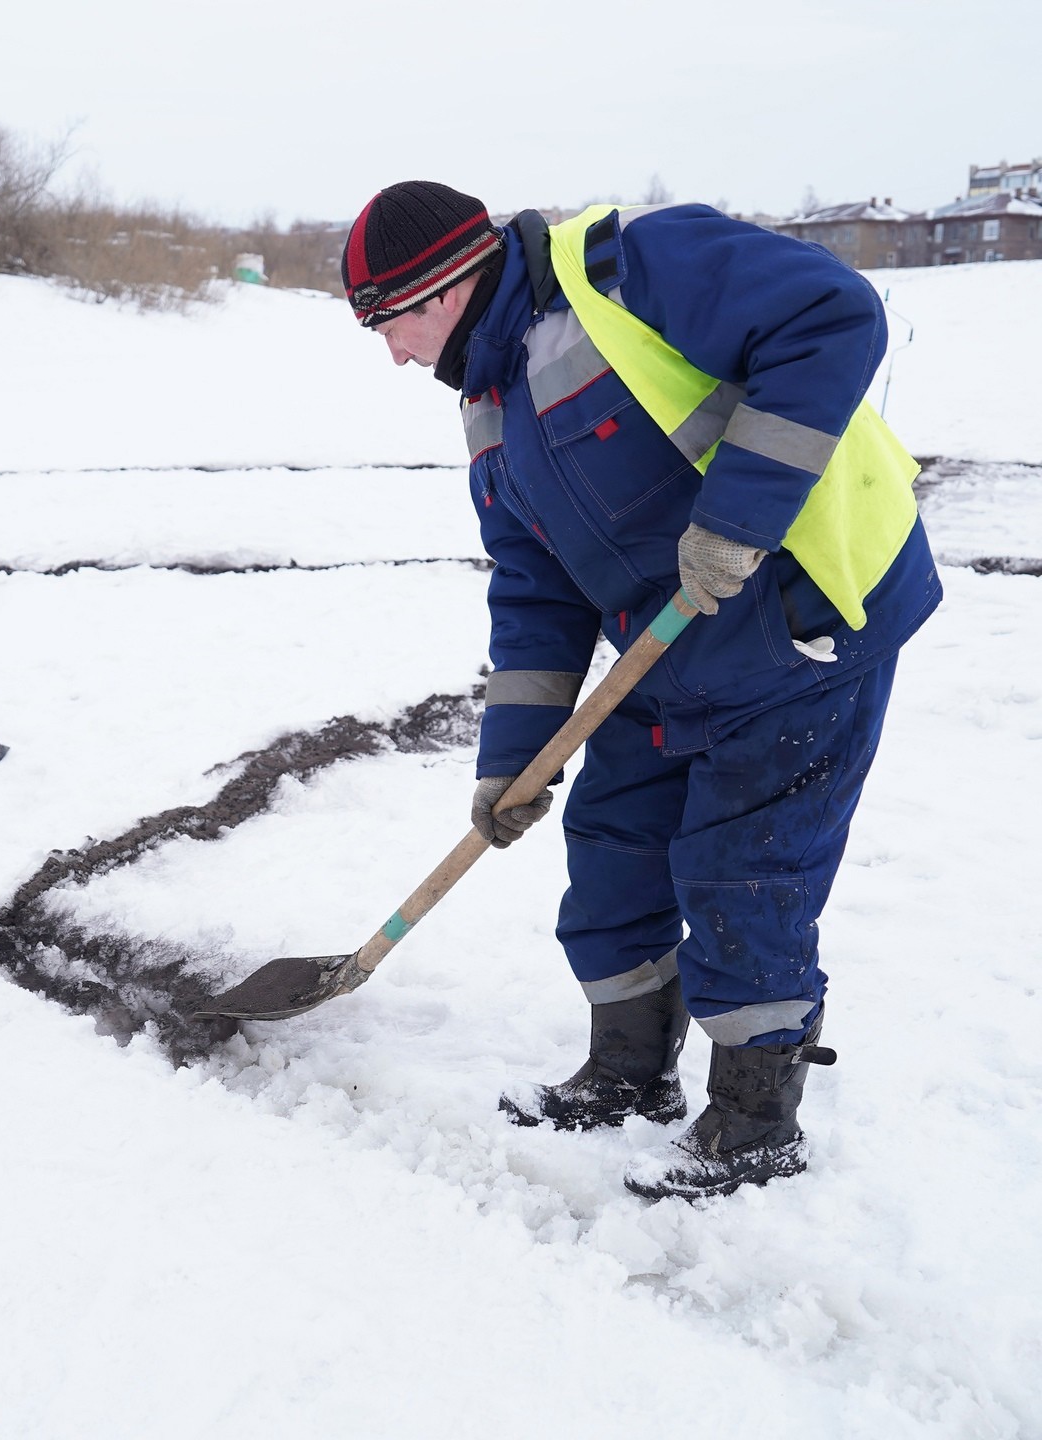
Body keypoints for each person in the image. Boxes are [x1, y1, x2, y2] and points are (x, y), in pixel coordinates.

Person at [341, 182, 941, 1200]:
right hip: (664, 653)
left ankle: (756, 1118)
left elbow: (835, 316)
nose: (392, 354)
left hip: (802, 621)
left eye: (386, 324)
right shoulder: (487, 406)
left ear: (440, 288)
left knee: (744, 873)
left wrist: (740, 518)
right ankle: (629, 1072)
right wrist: (511, 764)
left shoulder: (630, 271)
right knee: (613, 853)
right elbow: (533, 589)